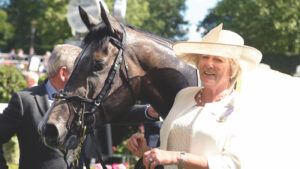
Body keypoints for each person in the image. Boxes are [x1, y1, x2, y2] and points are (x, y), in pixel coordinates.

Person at [126, 23, 262, 169]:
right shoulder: (184, 96)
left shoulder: (242, 107)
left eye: (218, 59)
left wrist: (177, 157)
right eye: (205, 57)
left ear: (233, 69)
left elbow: (232, 164)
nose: (209, 64)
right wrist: (147, 152)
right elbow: (169, 156)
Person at [0, 44, 82, 169]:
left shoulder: (82, 103)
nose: (85, 78)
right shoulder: (25, 101)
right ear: (63, 73)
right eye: (80, 72)